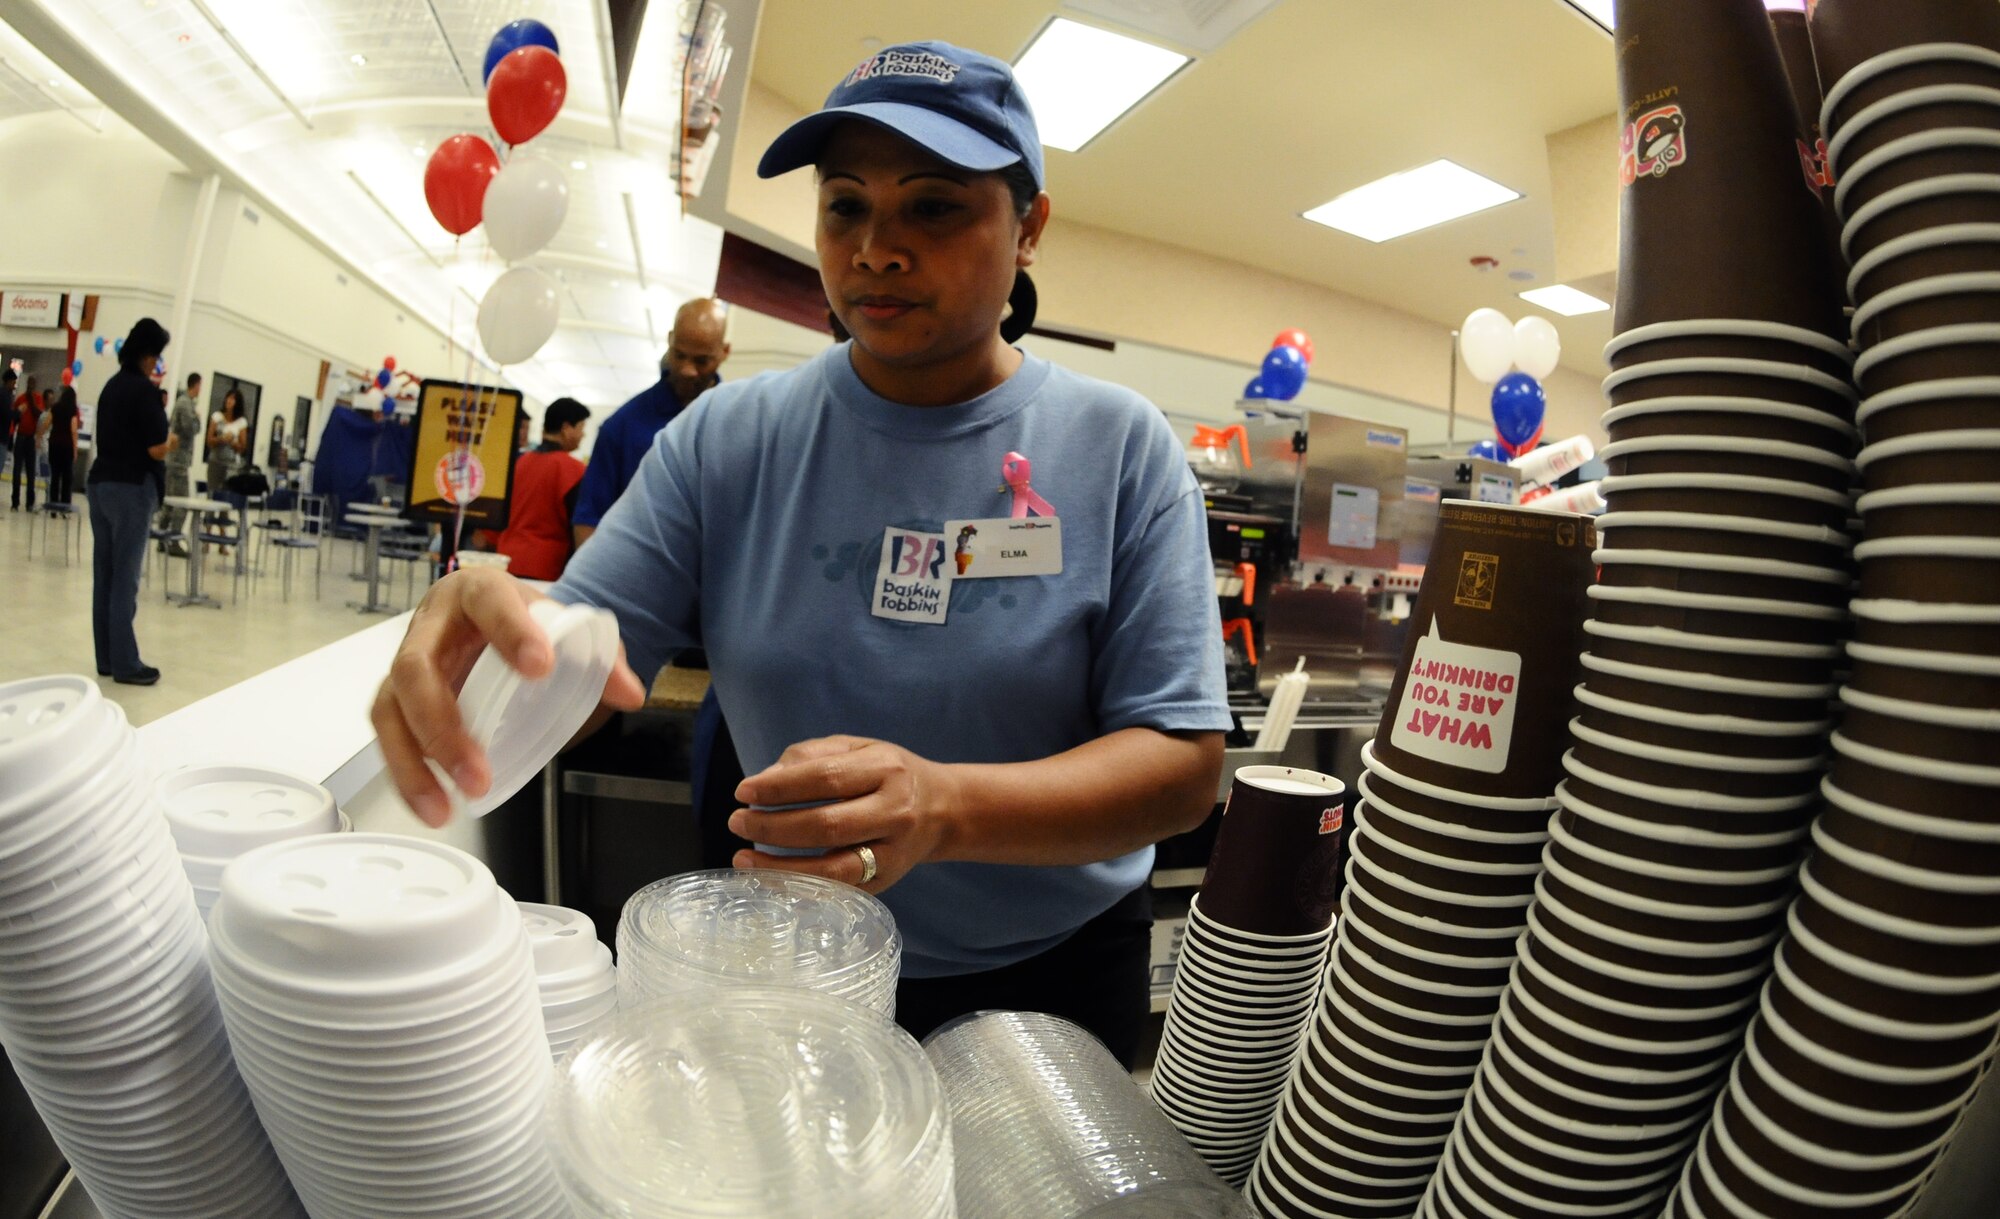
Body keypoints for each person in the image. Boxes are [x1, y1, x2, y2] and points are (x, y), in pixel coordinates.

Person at [371, 42, 1228, 1064]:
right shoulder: (729, 440)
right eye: (845, 206)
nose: (876, 249)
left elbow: (1182, 768)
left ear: (1029, 225)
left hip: (1044, 970)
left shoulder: (1118, 447)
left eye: (934, 206)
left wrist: (946, 807)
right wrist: (495, 630)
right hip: (790, 961)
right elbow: (584, 653)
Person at [569, 297, 731, 550]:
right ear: (669, 341)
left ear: (724, 352)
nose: (688, 370)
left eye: (702, 361)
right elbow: (588, 522)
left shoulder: (740, 424)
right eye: (680, 355)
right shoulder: (621, 426)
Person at [88, 319, 176, 686]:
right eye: (156, 355)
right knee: (125, 578)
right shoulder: (144, 391)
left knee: (104, 576)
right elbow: (155, 447)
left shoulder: (110, 387)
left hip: (99, 484)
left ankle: (106, 659)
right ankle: (126, 664)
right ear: (147, 355)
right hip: (131, 489)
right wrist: (173, 442)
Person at [495, 398, 590, 580]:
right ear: (566, 428)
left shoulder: (517, 463)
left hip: (506, 561)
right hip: (546, 568)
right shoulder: (574, 471)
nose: (582, 435)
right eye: (581, 428)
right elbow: (578, 527)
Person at [159, 372, 201, 549]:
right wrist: (197, 419)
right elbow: (190, 428)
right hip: (178, 460)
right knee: (181, 501)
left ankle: (162, 538)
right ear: (196, 385)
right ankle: (173, 540)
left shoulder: (184, 403)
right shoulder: (185, 404)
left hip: (176, 459)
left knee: (170, 500)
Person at [206, 387, 250, 547]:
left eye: (233, 399)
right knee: (212, 495)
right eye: (228, 398)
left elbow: (243, 447)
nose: (229, 401)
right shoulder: (217, 417)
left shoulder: (241, 422)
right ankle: (207, 535)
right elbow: (209, 440)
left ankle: (223, 539)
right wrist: (221, 439)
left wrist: (232, 441)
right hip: (215, 461)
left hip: (231, 464)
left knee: (225, 499)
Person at [43, 385, 79, 506]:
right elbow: (73, 429)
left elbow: (47, 422)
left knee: (55, 476)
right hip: (67, 446)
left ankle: (53, 504)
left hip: (54, 444)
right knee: (66, 477)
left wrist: (39, 435)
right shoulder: (72, 410)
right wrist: (75, 449)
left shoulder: (55, 407)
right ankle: (64, 506)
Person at [11, 374, 40, 510]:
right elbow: (15, 417)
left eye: (33, 383)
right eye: (29, 383)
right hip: (21, 437)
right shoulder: (20, 398)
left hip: (31, 438)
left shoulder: (37, 398)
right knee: (17, 470)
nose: (31, 385)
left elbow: (38, 415)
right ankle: (15, 501)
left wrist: (31, 401)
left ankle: (29, 502)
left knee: (30, 471)